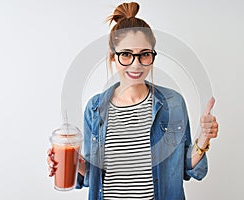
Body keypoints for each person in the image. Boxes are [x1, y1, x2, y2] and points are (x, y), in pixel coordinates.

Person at [47, 2, 219, 200]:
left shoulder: (173, 104)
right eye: (126, 54)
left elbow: (185, 169)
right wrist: (73, 163)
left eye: (144, 55)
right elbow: (92, 177)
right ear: (113, 56)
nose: (136, 64)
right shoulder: (94, 109)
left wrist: (204, 138)